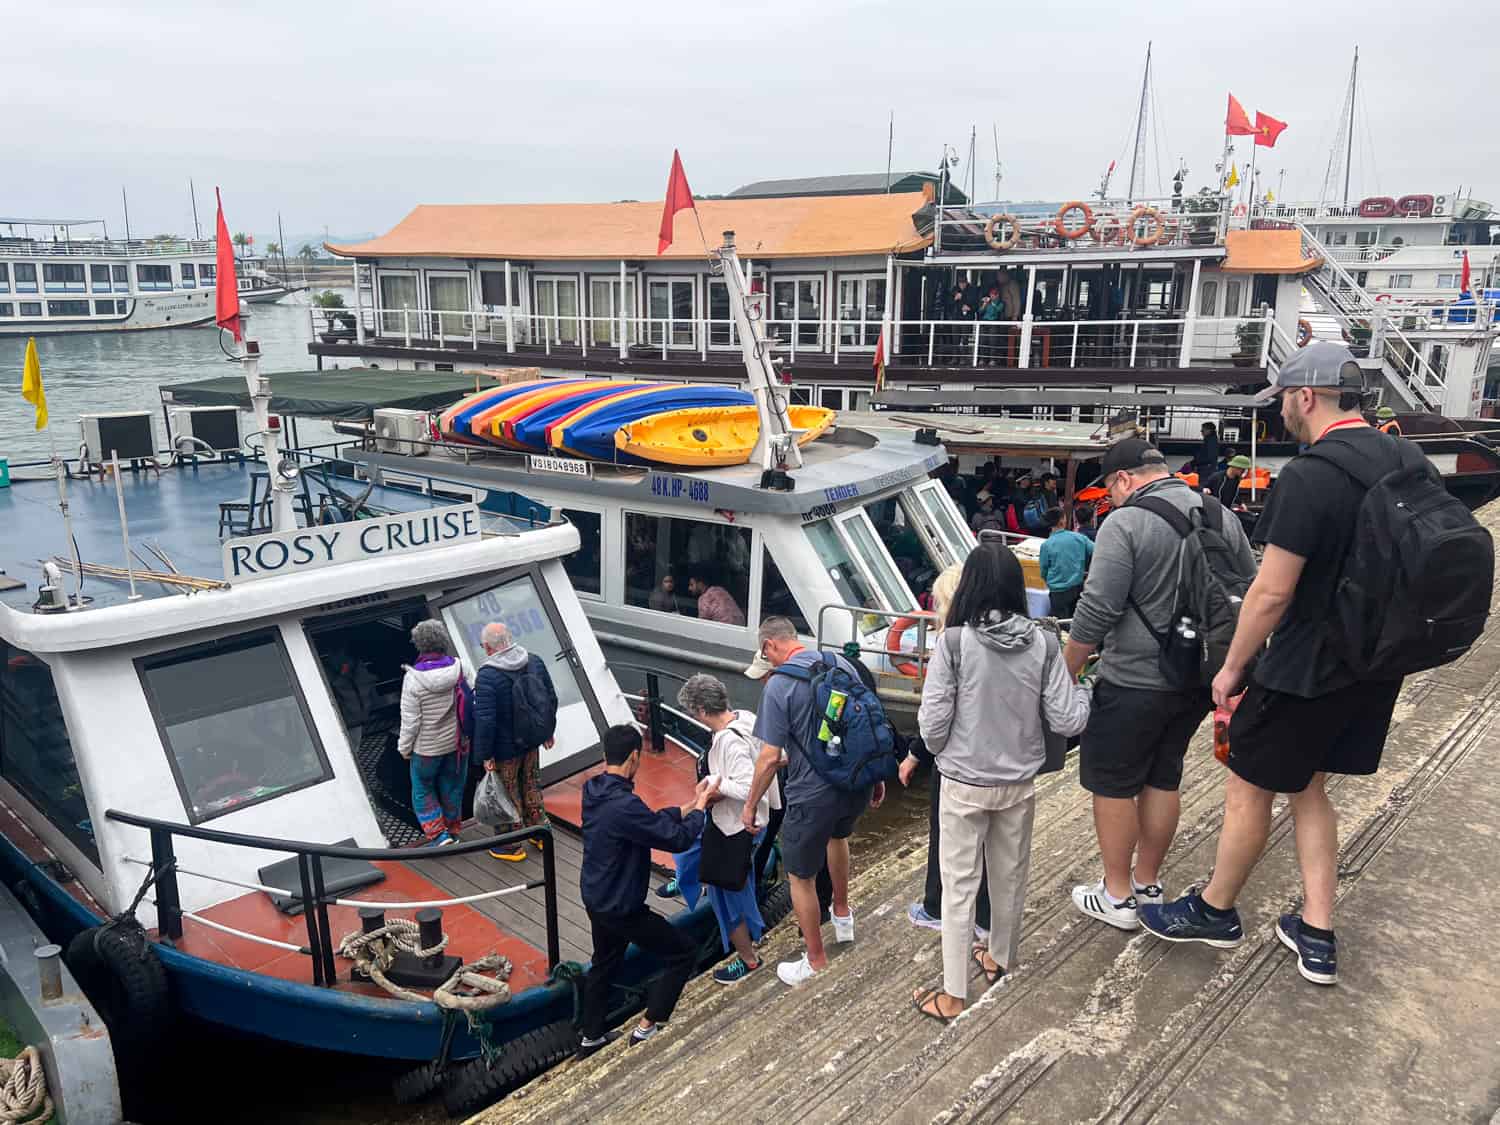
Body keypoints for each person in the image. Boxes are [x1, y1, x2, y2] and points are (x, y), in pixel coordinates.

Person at [1140, 344, 1407, 985]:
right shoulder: (1404, 458)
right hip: (1374, 661)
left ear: (1306, 397)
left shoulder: (1310, 476)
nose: (1281, 411)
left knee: (1247, 783)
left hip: (1306, 663)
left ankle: (1215, 910)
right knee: (1309, 786)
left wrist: (1230, 669)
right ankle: (1316, 931)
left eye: (1284, 398)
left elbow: (1272, 591)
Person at [1062, 438, 1256, 931]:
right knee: (1162, 776)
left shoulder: (1125, 522)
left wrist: (1065, 671)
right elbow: (1249, 588)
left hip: (1134, 679)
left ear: (1124, 478)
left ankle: (1118, 896)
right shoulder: (1219, 513)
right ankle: (1148, 883)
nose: (1109, 498)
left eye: (1109, 488)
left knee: (1111, 783)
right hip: (1198, 678)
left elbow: (1098, 608)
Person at [909, 543, 1092, 1021]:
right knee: (1009, 878)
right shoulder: (1046, 643)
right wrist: (1090, 691)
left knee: (959, 887)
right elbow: (1068, 719)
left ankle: (953, 994)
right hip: (1018, 783)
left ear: (968, 584)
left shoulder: (951, 644)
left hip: (964, 784)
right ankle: (999, 959)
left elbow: (931, 729)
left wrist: (952, 747)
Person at [742, 617, 886, 986]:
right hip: (854, 783)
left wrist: (750, 804)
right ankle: (843, 916)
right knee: (839, 840)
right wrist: (876, 775)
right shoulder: (840, 663)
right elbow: (868, 720)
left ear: (769, 646)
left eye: (767, 655)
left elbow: (769, 757)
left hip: (811, 794)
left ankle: (816, 960)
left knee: (800, 877)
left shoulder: (778, 687)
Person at [575, 725, 720, 1058]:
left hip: (596, 897)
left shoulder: (594, 790)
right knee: (682, 952)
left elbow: (647, 821)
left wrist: (688, 805)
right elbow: (675, 839)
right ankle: (648, 1027)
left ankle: (591, 1037)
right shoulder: (623, 805)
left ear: (605, 756)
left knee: (604, 963)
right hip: (621, 906)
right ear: (635, 757)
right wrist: (701, 808)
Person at [900, 565, 992, 937]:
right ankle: (987, 917)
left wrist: (917, 754)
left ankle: (935, 906)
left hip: (955, 759)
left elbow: (936, 716)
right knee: (990, 843)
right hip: (998, 757)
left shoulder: (951, 645)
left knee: (947, 836)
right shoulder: (998, 637)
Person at [673, 674, 778, 985]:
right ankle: (688, 881)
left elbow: (747, 785)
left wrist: (713, 786)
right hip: (752, 823)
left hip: (732, 828)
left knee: (726, 896)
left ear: (702, 710)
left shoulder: (727, 740)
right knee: (739, 884)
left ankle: (748, 959)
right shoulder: (746, 718)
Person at [474, 622, 558, 862]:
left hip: (504, 749)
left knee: (506, 794)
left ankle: (510, 846)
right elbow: (549, 699)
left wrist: (485, 755)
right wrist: (547, 732)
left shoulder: (488, 675)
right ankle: (540, 833)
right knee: (532, 784)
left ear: (489, 648)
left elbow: (486, 720)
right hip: (531, 740)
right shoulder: (534, 661)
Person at [396, 620, 466, 847]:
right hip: (457, 745)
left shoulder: (413, 679)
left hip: (426, 749)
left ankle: (438, 835)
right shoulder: (460, 668)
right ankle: (453, 829)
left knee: (423, 789)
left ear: (419, 645)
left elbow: (411, 721)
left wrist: (404, 749)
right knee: (452, 786)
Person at [1038, 506, 1094, 619]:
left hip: (1057, 591)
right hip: (1077, 587)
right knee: (1075, 620)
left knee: (1060, 624)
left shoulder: (1046, 545)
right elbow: (1097, 550)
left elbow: (1044, 570)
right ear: (1062, 520)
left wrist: (1049, 582)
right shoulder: (1079, 537)